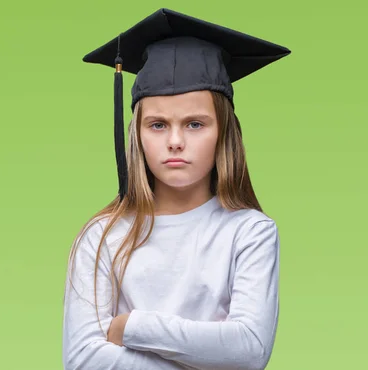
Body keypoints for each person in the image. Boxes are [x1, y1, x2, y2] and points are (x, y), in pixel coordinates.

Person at [61, 8, 291, 370]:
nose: (175, 141)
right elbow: (84, 360)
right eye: (157, 125)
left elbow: (248, 351)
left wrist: (132, 327)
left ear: (223, 133)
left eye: (195, 124)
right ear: (136, 134)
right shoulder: (103, 236)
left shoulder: (249, 232)